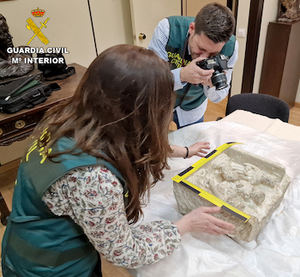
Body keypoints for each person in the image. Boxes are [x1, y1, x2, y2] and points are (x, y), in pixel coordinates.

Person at [1, 44, 234, 276]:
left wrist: (184, 151)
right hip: (51, 267)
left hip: (28, 243)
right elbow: (125, 252)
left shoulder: (69, 116)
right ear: (140, 112)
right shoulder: (93, 179)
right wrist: (186, 225)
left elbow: (129, 143)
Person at [149, 3, 238, 128]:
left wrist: (211, 86)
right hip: (161, 104)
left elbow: (219, 96)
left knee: (191, 144)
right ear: (192, 29)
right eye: (201, 49)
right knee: (157, 144)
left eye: (213, 54)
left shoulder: (231, 48)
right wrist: (181, 75)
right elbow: (151, 80)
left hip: (194, 108)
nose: (204, 58)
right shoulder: (167, 29)